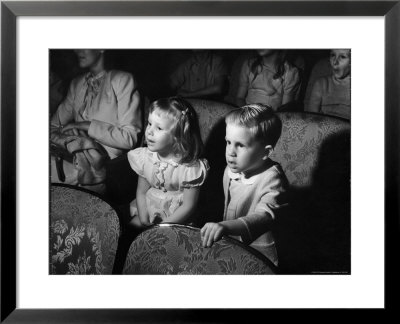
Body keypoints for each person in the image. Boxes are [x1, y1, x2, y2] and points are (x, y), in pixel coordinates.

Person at [200, 104, 288, 266]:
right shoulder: (231, 169)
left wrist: (225, 227)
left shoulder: (272, 178)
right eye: (228, 142)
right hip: (231, 239)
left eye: (240, 145)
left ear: (266, 152)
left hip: (260, 250)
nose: (230, 152)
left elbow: (264, 216)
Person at [50, 49, 142, 193]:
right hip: (73, 152)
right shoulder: (77, 83)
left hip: (105, 161)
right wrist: (68, 139)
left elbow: (130, 138)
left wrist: (86, 126)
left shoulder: (122, 80)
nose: (77, 49)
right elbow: (53, 126)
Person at [128, 97, 209, 228]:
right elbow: (142, 192)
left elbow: (189, 206)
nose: (149, 131)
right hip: (149, 210)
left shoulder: (190, 168)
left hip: (177, 218)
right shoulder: (145, 158)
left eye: (159, 128)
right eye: (149, 124)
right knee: (130, 232)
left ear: (178, 137)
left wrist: (161, 227)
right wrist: (144, 219)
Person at [235, 50, 301, 111]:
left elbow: (284, 110)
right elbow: (240, 98)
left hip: (270, 119)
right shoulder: (249, 65)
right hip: (245, 115)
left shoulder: (289, 72)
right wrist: (246, 115)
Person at [306, 49, 351, 119]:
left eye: (342, 57)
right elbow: (311, 119)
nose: (335, 62)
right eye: (333, 55)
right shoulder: (321, 84)